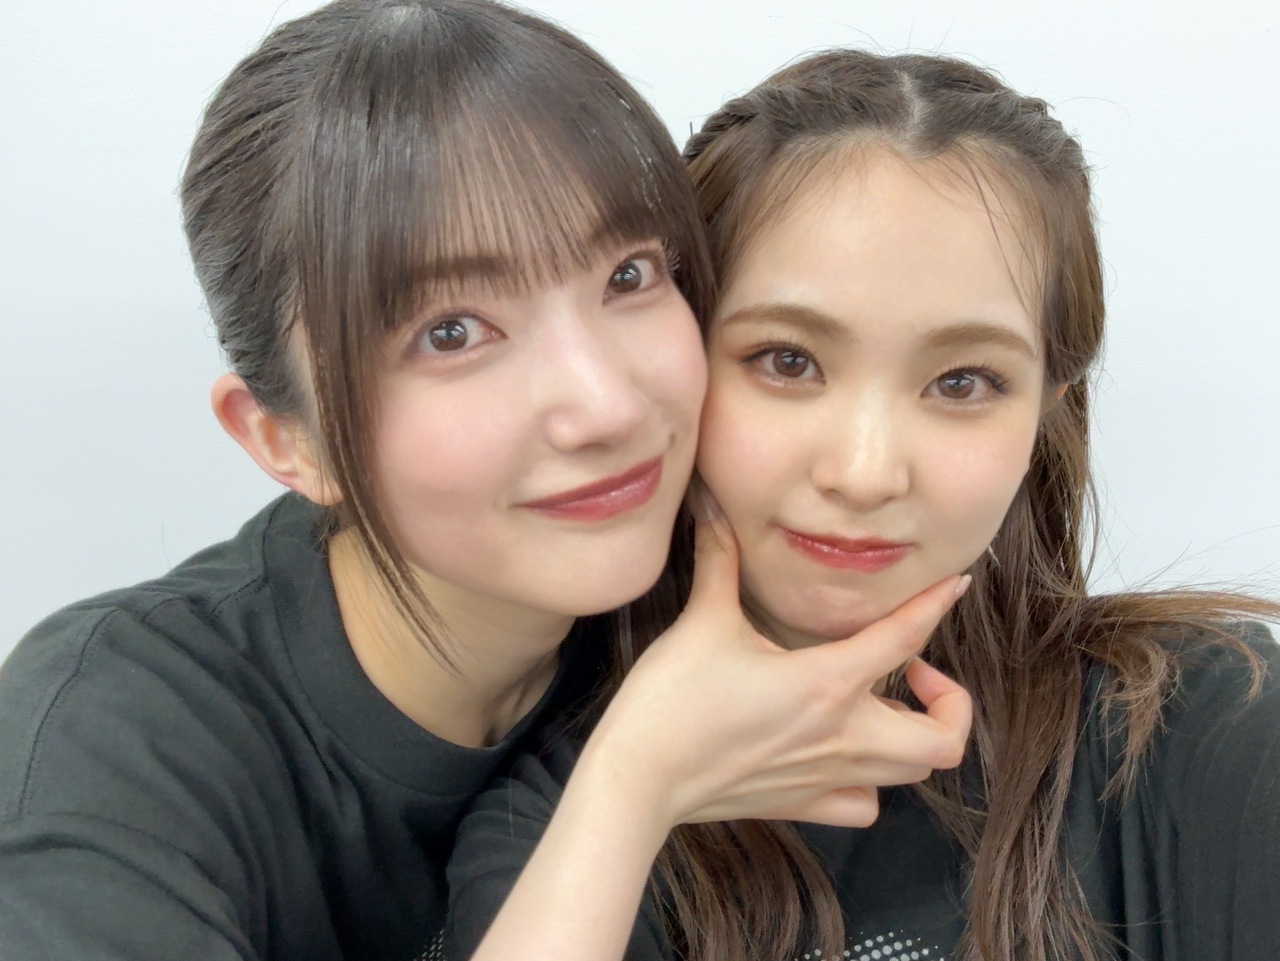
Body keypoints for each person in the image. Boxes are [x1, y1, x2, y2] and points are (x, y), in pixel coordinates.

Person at [0, 6, 974, 960]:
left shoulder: (723, 610)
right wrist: (631, 785)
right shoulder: (113, 743)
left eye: (628, 276)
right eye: (452, 332)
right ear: (287, 439)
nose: (605, 406)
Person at [446, 49, 1280, 961]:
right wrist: (632, 788)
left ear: (1046, 408)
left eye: (962, 381)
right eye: (788, 361)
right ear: (674, 361)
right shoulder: (560, 822)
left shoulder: (1212, 720)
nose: (866, 473)